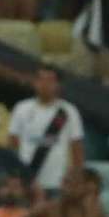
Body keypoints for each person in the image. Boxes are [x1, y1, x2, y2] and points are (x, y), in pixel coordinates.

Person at [7, 67, 85, 195]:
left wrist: (77, 178)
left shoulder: (68, 111)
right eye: (40, 79)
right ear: (34, 82)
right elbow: (12, 145)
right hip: (28, 180)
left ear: (57, 85)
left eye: (49, 80)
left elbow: (77, 148)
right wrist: (14, 176)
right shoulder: (21, 108)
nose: (44, 84)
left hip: (57, 182)